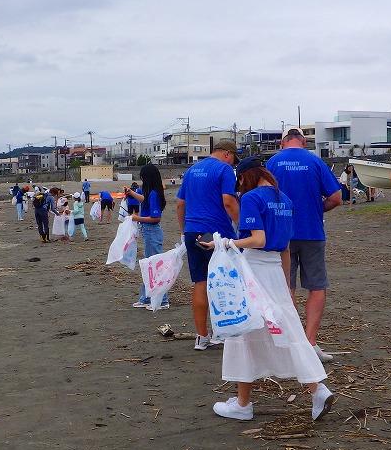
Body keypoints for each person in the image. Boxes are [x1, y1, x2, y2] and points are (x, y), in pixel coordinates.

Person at [204, 157, 335, 422]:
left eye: (239, 181)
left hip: (255, 268)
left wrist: (226, 243)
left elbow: (258, 239)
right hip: (276, 269)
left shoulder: (252, 198)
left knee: (242, 328)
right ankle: (317, 388)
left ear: (245, 177)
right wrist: (287, 286)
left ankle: (242, 405)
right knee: (288, 329)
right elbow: (285, 247)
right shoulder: (285, 200)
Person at [266, 127, 343, 359]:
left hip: (281, 233)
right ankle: (310, 342)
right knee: (316, 285)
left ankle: (290, 341)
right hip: (311, 230)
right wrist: (317, 209)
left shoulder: (272, 163)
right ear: (304, 141)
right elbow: (336, 197)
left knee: (285, 286)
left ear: (282, 142)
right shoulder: (315, 161)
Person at [176, 139, 240, 351]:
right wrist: (242, 227)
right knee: (223, 283)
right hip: (216, 234)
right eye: (233, 160)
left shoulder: (192, 170)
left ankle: (201, 336)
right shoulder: (224, 170)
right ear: (228, 154)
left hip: (193, 231)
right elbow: (228, 202)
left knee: (200, 282)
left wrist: (184, 230)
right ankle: (223, 333)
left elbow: (180, 203)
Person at [130, 164, 169, 310]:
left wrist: (137, 218)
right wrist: (131, 193)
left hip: (152, 232)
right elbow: (143, 200)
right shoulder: (151, 193)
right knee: (148, 266)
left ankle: (162, 300)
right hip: (148, 232)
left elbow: (155, 218)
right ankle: (146, 298)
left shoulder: (154, 194)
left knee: (155, 267)